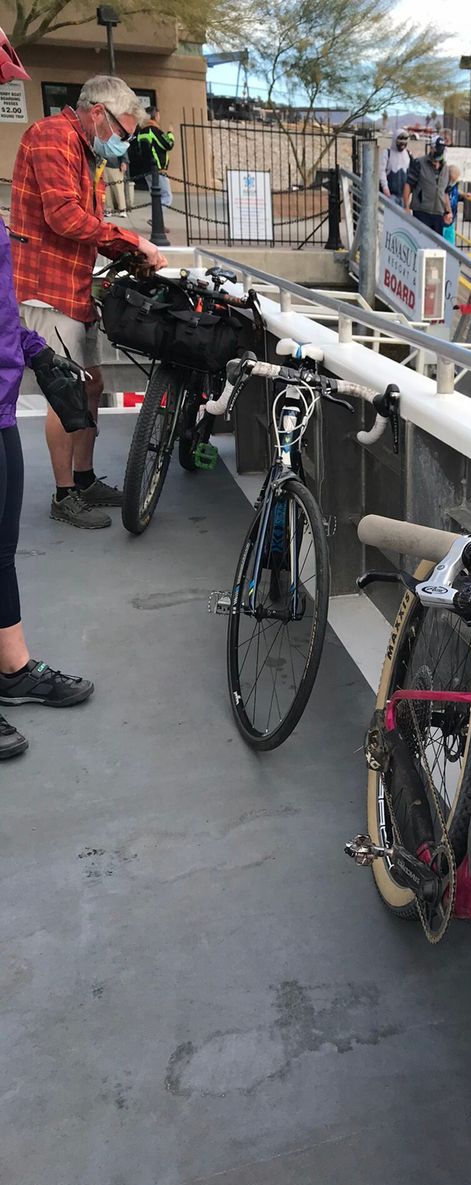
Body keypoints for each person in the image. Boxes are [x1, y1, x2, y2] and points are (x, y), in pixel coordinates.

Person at [11, 75, 167, 529]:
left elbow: (85, 225)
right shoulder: (52, 137)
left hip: (74, 286)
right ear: (98, 113)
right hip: (46, 287)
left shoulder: (83, 149)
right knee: (66, 389)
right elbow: (63, 217)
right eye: (121, 131)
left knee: (91, 385)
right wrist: (134, 240)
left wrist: (128, 252)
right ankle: (65, 495)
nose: (122, 142)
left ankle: (84, 478)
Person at [0, 28, 96, 761]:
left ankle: (12, 669)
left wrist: (35, 355)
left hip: (1, 397)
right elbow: (64, 218)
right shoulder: (55, 140)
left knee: (0, 546)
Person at [403, 136, 452, 234]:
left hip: (438, 212)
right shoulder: (419, 163)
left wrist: (448, 211)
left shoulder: (446, 169)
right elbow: (408, 185)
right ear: (431, 148)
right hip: (421, 211)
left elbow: (445, 192)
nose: (438, 152)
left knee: (435, 242)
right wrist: (406, 206)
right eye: (437, 149)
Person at [132, 106, 175, 208]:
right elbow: (169, 144)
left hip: (146, 169)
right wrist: (170, 133)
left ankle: (155, 216)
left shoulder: (141, 132)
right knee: (166, 196)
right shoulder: (155, 130)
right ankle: (157, 217)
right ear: (155, 116)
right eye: (158, 115)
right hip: (157, 169)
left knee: (156, 196)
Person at [379, 129, 410, 205]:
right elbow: (381, 171)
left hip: (403, 196)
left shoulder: (407, 154)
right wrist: (385, 187)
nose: (402, 144)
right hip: (390, 195)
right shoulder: (387, 153)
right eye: (400, 141)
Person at [443, 165, 461, 245]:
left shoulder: (454, 185)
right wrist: (448, 211)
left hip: (451, 219)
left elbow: (454, 193)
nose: (453, 182)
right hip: (444, 217)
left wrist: (463, 195)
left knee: (450, 243)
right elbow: (444, 196)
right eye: (452, 179)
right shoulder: (443, 184)